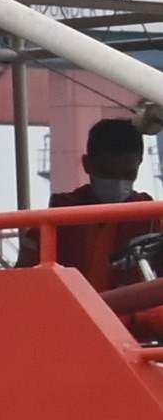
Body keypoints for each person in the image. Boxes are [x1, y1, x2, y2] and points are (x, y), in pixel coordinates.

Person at [24, 115, 158, 293]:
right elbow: (23, 276)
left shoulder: (152, 218)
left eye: (128, 174)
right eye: (107, 173)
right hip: (71, 308)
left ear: (139, 164)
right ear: (87, 164)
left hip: (132, 310)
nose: (117, 182)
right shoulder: (56, 218)